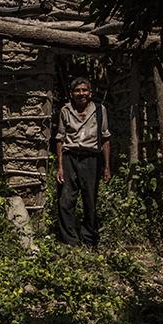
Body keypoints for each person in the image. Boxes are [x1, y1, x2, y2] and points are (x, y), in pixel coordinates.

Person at [56, 76, 111, 246]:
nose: (82, 94)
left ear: (91, 92)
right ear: (71, 94)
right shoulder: (65, 111)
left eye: (84, 90)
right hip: (70, 157)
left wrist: (106, 166)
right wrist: (60, 166)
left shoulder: (100, 110)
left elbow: (105, 139)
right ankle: (70, 241)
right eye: (78, 91)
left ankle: (89, 240)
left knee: (90, 200)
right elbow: (60, 138)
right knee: (66, 201)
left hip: (91, 159)